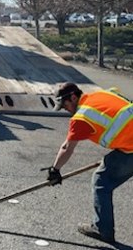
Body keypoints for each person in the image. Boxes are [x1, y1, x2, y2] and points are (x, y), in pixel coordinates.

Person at [46, 82, 133, 244]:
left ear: (73, 97)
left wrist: (55, 169)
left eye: (64, 104)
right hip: (128, 146)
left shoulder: (81, 117)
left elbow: (67, 147)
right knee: (110, 165)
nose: (65, 109)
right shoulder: (103, 94)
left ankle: (103, 229)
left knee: (102, 182)